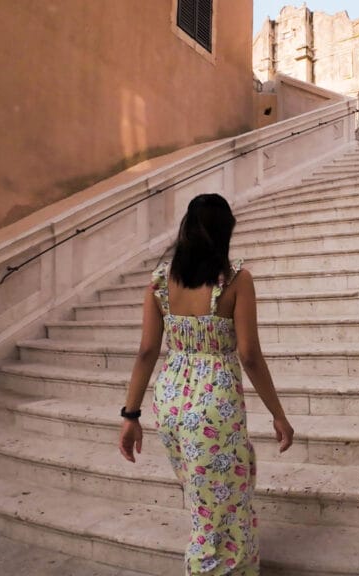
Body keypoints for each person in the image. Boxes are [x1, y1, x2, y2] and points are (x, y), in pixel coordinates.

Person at [117, 193, 295, 575]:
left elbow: (148, 350)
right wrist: (278, 414)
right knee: (215, 517)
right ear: (225, 232)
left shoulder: (161, 283)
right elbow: (249, 354)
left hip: (170, 402)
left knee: (211, 504)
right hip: (214, 406)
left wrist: (130, 415)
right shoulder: (236, 281)